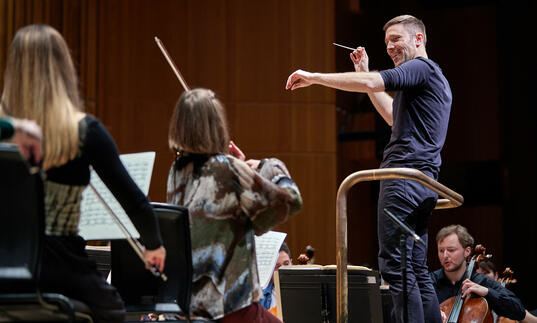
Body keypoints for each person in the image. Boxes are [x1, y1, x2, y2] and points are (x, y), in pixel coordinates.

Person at [286, 15, 450, 323]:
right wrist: (363, 71)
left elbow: (373, 81)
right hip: (421, 182)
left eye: (396, 39)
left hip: (402, 179)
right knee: (414, 269)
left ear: (418, 39)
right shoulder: (432, 78)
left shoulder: (419, 68)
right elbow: (391, 116)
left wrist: (315, 77)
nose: (389, 47)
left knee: (396, 269)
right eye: (386, 41)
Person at [1, 24, 166, 322]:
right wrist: (154, 246)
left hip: (6, 268)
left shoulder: (5, 131)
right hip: (62, 268)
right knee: (117, 311)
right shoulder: (84, 131)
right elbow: (135, 203)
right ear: (63, 70)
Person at [166, 88, 302, 323]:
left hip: (189, 309)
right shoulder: (227, 170)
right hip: (230, 309)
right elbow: (291, 200)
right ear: (217, 125)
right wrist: (266, 167)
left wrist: (239, 171)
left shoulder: (176, 173)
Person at [431, 225, 525, 322]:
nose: (445, 255)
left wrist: (487, 292)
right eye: (441, 251)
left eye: (451, 250)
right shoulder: (429, 282)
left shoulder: (482, 281)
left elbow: (519, 311)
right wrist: (429, 313)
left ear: (467, 251)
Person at [260, 242, 293, 315]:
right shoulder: (261, 296)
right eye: (277, 266)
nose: (283, 269)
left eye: (286, 264)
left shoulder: (302, 289)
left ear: (292, 263)